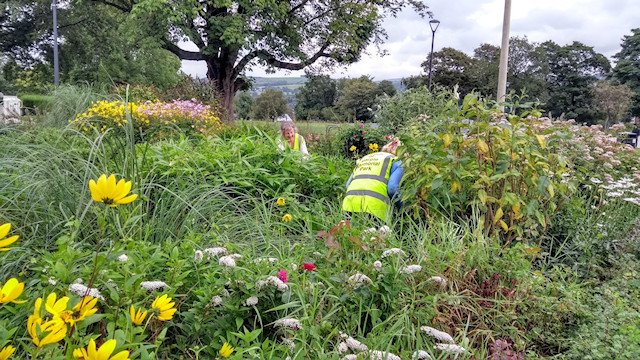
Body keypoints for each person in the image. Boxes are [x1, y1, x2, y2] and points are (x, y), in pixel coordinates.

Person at [342, 137, 403, 223]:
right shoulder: (397, 161)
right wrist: (402, 208)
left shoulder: (364, 158)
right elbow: (392, 188)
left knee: (350, 235)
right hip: (374, 210)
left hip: (349, 206)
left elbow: (348, 185)